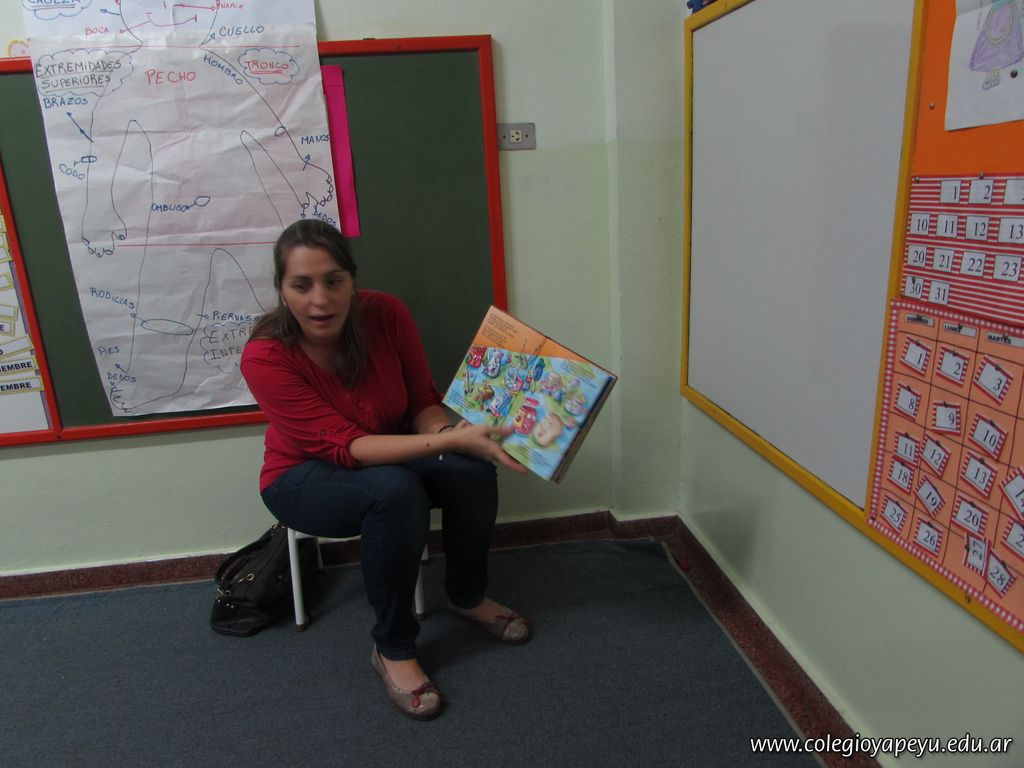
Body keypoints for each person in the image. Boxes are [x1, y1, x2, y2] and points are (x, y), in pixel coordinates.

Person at [240, 219, 529, 720]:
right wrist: (449, 440)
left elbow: (420, 402)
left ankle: (466, 596)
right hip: (301, 478)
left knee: (470, 471)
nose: (320, 300)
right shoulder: (264, 356)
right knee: (394, 491)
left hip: (390, 456)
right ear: (281, 290)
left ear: (352, 280)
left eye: (333, 281)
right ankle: (393, 648)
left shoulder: (387, 314)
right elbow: (348, 448)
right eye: (302, 285)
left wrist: (449, 435)